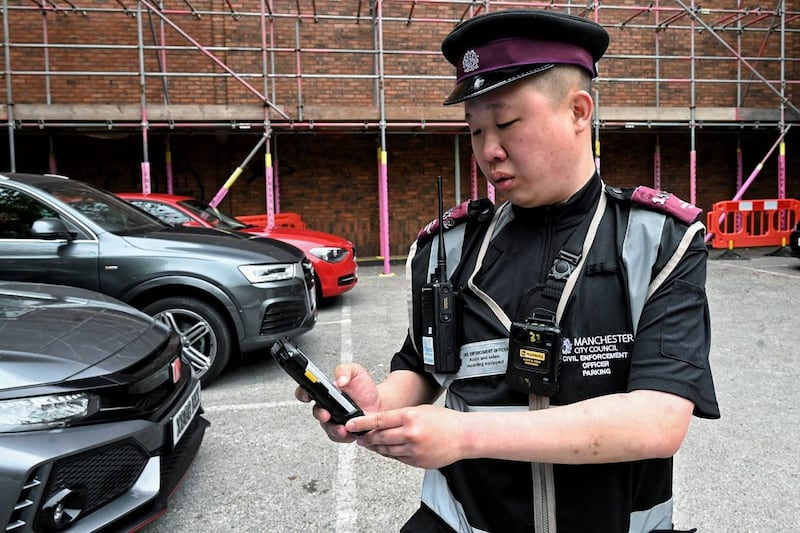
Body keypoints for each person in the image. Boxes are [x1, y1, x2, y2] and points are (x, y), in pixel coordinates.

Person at [295, 9, 719, 533]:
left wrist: (465, 435)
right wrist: (376, 407)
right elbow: (424, 368)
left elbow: (658, 421)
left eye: (507, 124)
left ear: (579, 111)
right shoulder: (449, 247)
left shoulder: (661, 241)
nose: (488, 151)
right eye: (475, 131)